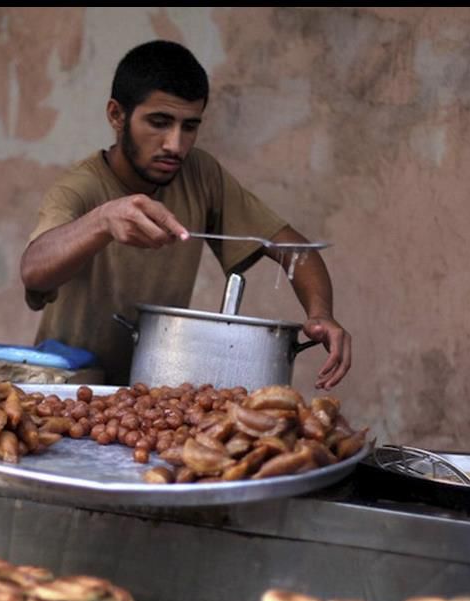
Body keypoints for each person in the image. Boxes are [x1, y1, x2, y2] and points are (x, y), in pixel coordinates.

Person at [20, 40, 352, 390]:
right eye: (159, 123)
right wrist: (103, 221)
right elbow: (33, 272)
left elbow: (295, 249)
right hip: (66, 390)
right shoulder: (79, 187)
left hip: (149, 393)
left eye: (189, 127)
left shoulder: (200, 174)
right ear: (117, 115)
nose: (175, 145)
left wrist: (321, 314)